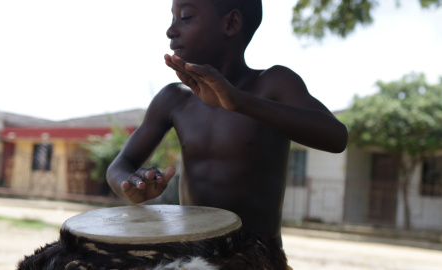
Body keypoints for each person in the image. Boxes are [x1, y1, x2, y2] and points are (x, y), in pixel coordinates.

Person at [107, 0, 348, 248]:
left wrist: (240, 102)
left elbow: (337, 137)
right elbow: (119, 166)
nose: (171, 30)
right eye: (172, 18)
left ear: (231, 23)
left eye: (186, 17)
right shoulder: (173, 98)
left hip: (256, 259)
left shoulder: (273, 84)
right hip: (193, 258)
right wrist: (131, 185)